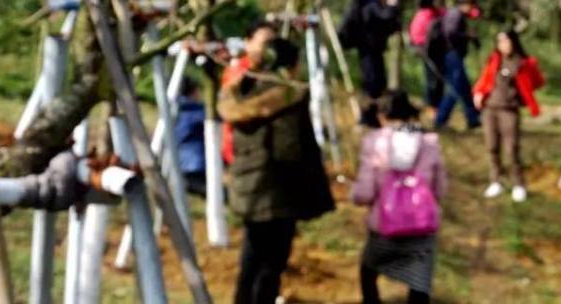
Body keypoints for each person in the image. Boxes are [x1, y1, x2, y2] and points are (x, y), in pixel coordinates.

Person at [219, 23, 336, 304]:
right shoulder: (287, 95)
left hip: (249, 184)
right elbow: (289, 147)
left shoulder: (245, 88)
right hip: (277, 190)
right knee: (271, 263)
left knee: (252, 257)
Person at [351, 90, 446, 304]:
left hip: (384, 226)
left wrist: (356, 196)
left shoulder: (375, 143)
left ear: (381, 115)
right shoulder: (429, 142)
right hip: (421, 226)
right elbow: (440, 189)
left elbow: (364, 192)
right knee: (419, 282)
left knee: (368, 272)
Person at [472, 30, 545, 202]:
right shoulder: (494, 60)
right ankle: (496, 180)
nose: (503, 44)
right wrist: (479, 93)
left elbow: (536, 81)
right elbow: (485, 79)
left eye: (506, 41)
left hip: (509, 109)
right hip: (490, 108)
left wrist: (525, 94)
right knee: (492, 146)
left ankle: (518, 183)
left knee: (511, 148)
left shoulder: (522, 63)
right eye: (500, 41)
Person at [338, 0, 402, 101]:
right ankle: (371, 105)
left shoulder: (366, 3)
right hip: (370, 46)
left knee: (373, 76)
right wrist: (392, 4)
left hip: (369, 45)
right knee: (373, 78)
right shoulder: (372, 4)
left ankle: (372, 103)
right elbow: (385, 16)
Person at [430, 0, 481, 130]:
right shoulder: (455, 15)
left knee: (460, 88)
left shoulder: (456, 15)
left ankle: (472, 118)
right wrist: (468, 36)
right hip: (451, 56)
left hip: (453, 56)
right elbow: (451, 33)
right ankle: (443, 120)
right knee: (457, 88)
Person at [407, 0, 445, 108]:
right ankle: (432, 103)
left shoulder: (423, 13)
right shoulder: (428, 15)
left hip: (425, 49)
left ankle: (434, 102)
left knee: (433, 77)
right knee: (433, 78)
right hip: (428, 50)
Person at [174, 74, 208, 196]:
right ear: (193, 91)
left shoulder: (174, 110)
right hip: (195, 166)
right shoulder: (193, 111)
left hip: (181, 164)